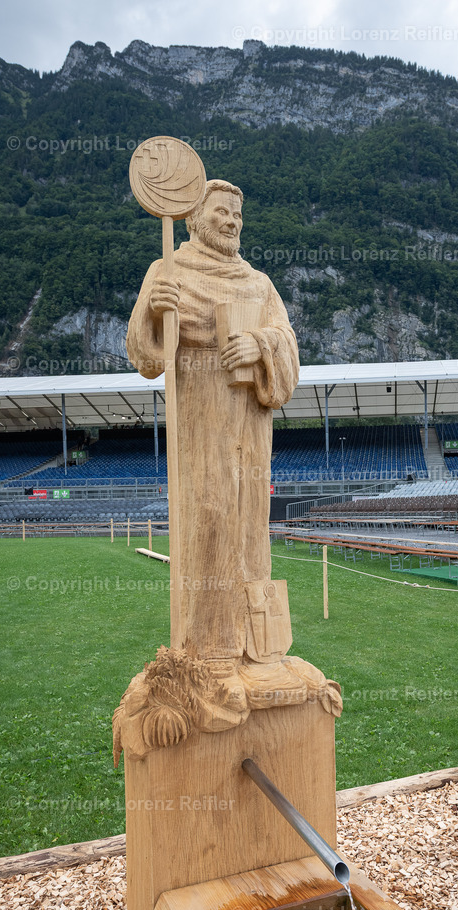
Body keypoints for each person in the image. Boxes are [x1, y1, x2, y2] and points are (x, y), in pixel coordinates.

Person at [126, 179, 299, 675]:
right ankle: (206, 648)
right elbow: (145, 357)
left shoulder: (259, 283)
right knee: (207, 521)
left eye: (237, 215)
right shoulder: (168, 271)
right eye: (222, 212)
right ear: (194, 219)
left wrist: (262, 344)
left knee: (249, 527)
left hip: (250, 420)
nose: (232, 223)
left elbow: (287, 341)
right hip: (199, 420)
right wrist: (155, 310)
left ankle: (257, 643)